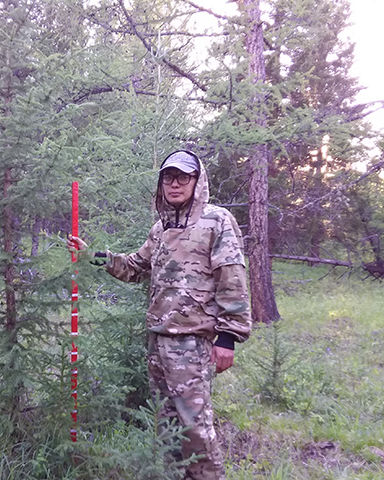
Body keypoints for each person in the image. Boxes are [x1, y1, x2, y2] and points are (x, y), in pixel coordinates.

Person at [69, 150, 252, 480]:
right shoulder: (161, 228)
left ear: (197, 181)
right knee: (165, 424)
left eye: (183, 177)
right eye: (168, 177)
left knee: (194, 427)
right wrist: (92, 256)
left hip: (192, 343)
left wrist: (228, 337)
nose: (175, 184)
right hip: (158, 341)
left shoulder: (216, 221)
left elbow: (232, 276)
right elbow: (134, 267)